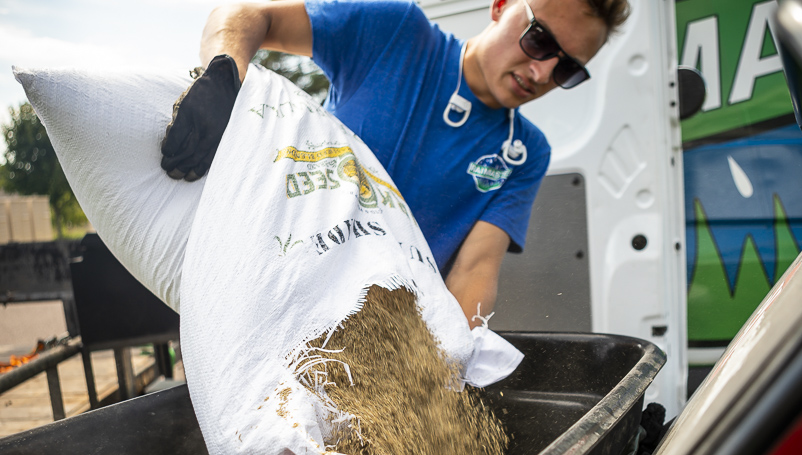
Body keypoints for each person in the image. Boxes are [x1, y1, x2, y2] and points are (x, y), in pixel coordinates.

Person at [162, 0, 629, 326]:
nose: (542, 72)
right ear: (501, 4)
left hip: (385, 331)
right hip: (284, 289)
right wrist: (223, 78)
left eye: (568, 68)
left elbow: (474, 272)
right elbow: (247, 14)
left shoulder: (525, 153)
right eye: (539, 39)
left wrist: (450, 370)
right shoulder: (398, 34)